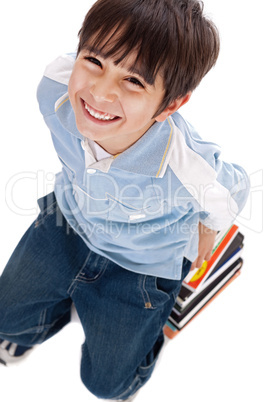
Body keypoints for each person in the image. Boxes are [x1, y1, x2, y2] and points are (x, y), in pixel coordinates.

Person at [0, 0, 249, 400]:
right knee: (6, 319)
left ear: (171, 104)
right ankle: (59, 309)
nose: (100, 92)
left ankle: (158, 327)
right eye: (95, 61)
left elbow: (232, 190)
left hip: (142, 266)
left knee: (107, 384)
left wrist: (209, 229)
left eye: (134, 81)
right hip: (68, 223)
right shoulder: (55, 88)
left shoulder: (186, 164)